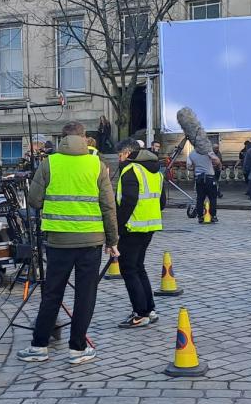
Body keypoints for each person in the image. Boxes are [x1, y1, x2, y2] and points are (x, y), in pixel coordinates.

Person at [16, 121, 118, 365]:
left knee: (52, 293)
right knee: (85, 295)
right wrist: (112, 240)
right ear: (84, 138)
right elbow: (108, 205)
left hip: (58, 240)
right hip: (91, 240)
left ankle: (39, 346)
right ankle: (77, 349)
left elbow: (34, 200)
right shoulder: (97, 165)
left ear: (62, 138)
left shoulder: (49, 163)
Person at [113, 140, 162, 328]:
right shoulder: (155, 171)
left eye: (120, 155)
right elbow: (162, 200)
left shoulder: (131, 171)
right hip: (150, 224)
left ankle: (140, 313)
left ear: (127, 153)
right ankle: (149, 309)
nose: (119, 159)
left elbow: (128, 202)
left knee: (129, 269)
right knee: (138, 267)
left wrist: (117, 227)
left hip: (132, 226)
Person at [188, 147, 220, 224]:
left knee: (200, 198)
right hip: (209, 178)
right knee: (212, 198)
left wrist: (197, 167)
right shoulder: (208, 151)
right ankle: (213, 216)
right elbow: (217, 161)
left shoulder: (191, 154)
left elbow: (188, 166)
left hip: (199, 178)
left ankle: (200, 217)